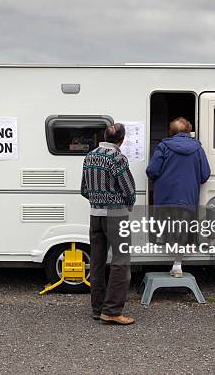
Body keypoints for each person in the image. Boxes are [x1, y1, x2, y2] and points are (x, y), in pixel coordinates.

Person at [81, 123, 136, 325]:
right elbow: (128, 189)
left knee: (97, 263)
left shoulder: (90, 156)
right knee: (121, 262)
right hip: (116, 216)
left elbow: (84, 190)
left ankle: (97, 308)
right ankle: (112, 310)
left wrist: (97, 201)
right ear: (121, 140)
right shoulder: (118, 158)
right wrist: (128, 205)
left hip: (95, 215)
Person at [146, 117, 210, 277]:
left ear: (172, 132)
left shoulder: (163, 146)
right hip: (187, 196)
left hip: (165, 195)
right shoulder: (197, 149)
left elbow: (152, 171)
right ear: (188, 131)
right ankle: (177, 264)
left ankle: (168, 255)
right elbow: (205, 175)